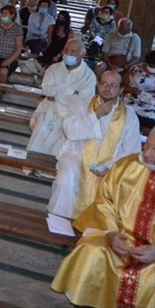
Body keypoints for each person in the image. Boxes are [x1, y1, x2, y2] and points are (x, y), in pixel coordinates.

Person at [51, 131, 154, 307]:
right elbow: (104, 202)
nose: (148, 154)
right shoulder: (125, 167)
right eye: (147, 146)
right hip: (121, 241)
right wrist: (112, 234)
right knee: (91, 251)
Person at [47, 70, 142, 220]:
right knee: (65, 180)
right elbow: (70, 131)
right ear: (98, 85)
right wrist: (95, 115)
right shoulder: (81, 103)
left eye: (113, 85)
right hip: (75, 157)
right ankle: (59, 221)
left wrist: (109, 166)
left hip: (109, 166)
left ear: (121, 90)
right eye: (104, 83)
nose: (107, 88)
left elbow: (131, 151)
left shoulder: (129, 116)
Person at [27, 39, 97, 156]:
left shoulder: (89, 76)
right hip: (49, 109)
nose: (68, 53)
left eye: (73, 51)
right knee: (41, 131)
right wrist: (71, 92)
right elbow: (47, 91)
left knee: (63, 141)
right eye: (66, 50)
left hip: (72, 114)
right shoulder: (53, 69)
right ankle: (34, 164)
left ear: (81, 54)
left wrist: (58, 93)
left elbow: (83, 100)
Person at [0, 4, 23, 90]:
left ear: (12, 15)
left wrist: (9, 60)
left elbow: (18, 48)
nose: (3, 16)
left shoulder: (17, 29)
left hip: (10, 58)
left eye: (5, 14)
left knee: (3, 71)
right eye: (2, 13)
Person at [123, 50, 155, 130]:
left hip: (150, 104)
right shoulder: (136, 68)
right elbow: (123, 85)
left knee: (150, 122)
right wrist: (132, 90)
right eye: (150, 65)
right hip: (132, 99)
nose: (152, 67)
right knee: (129, 114)